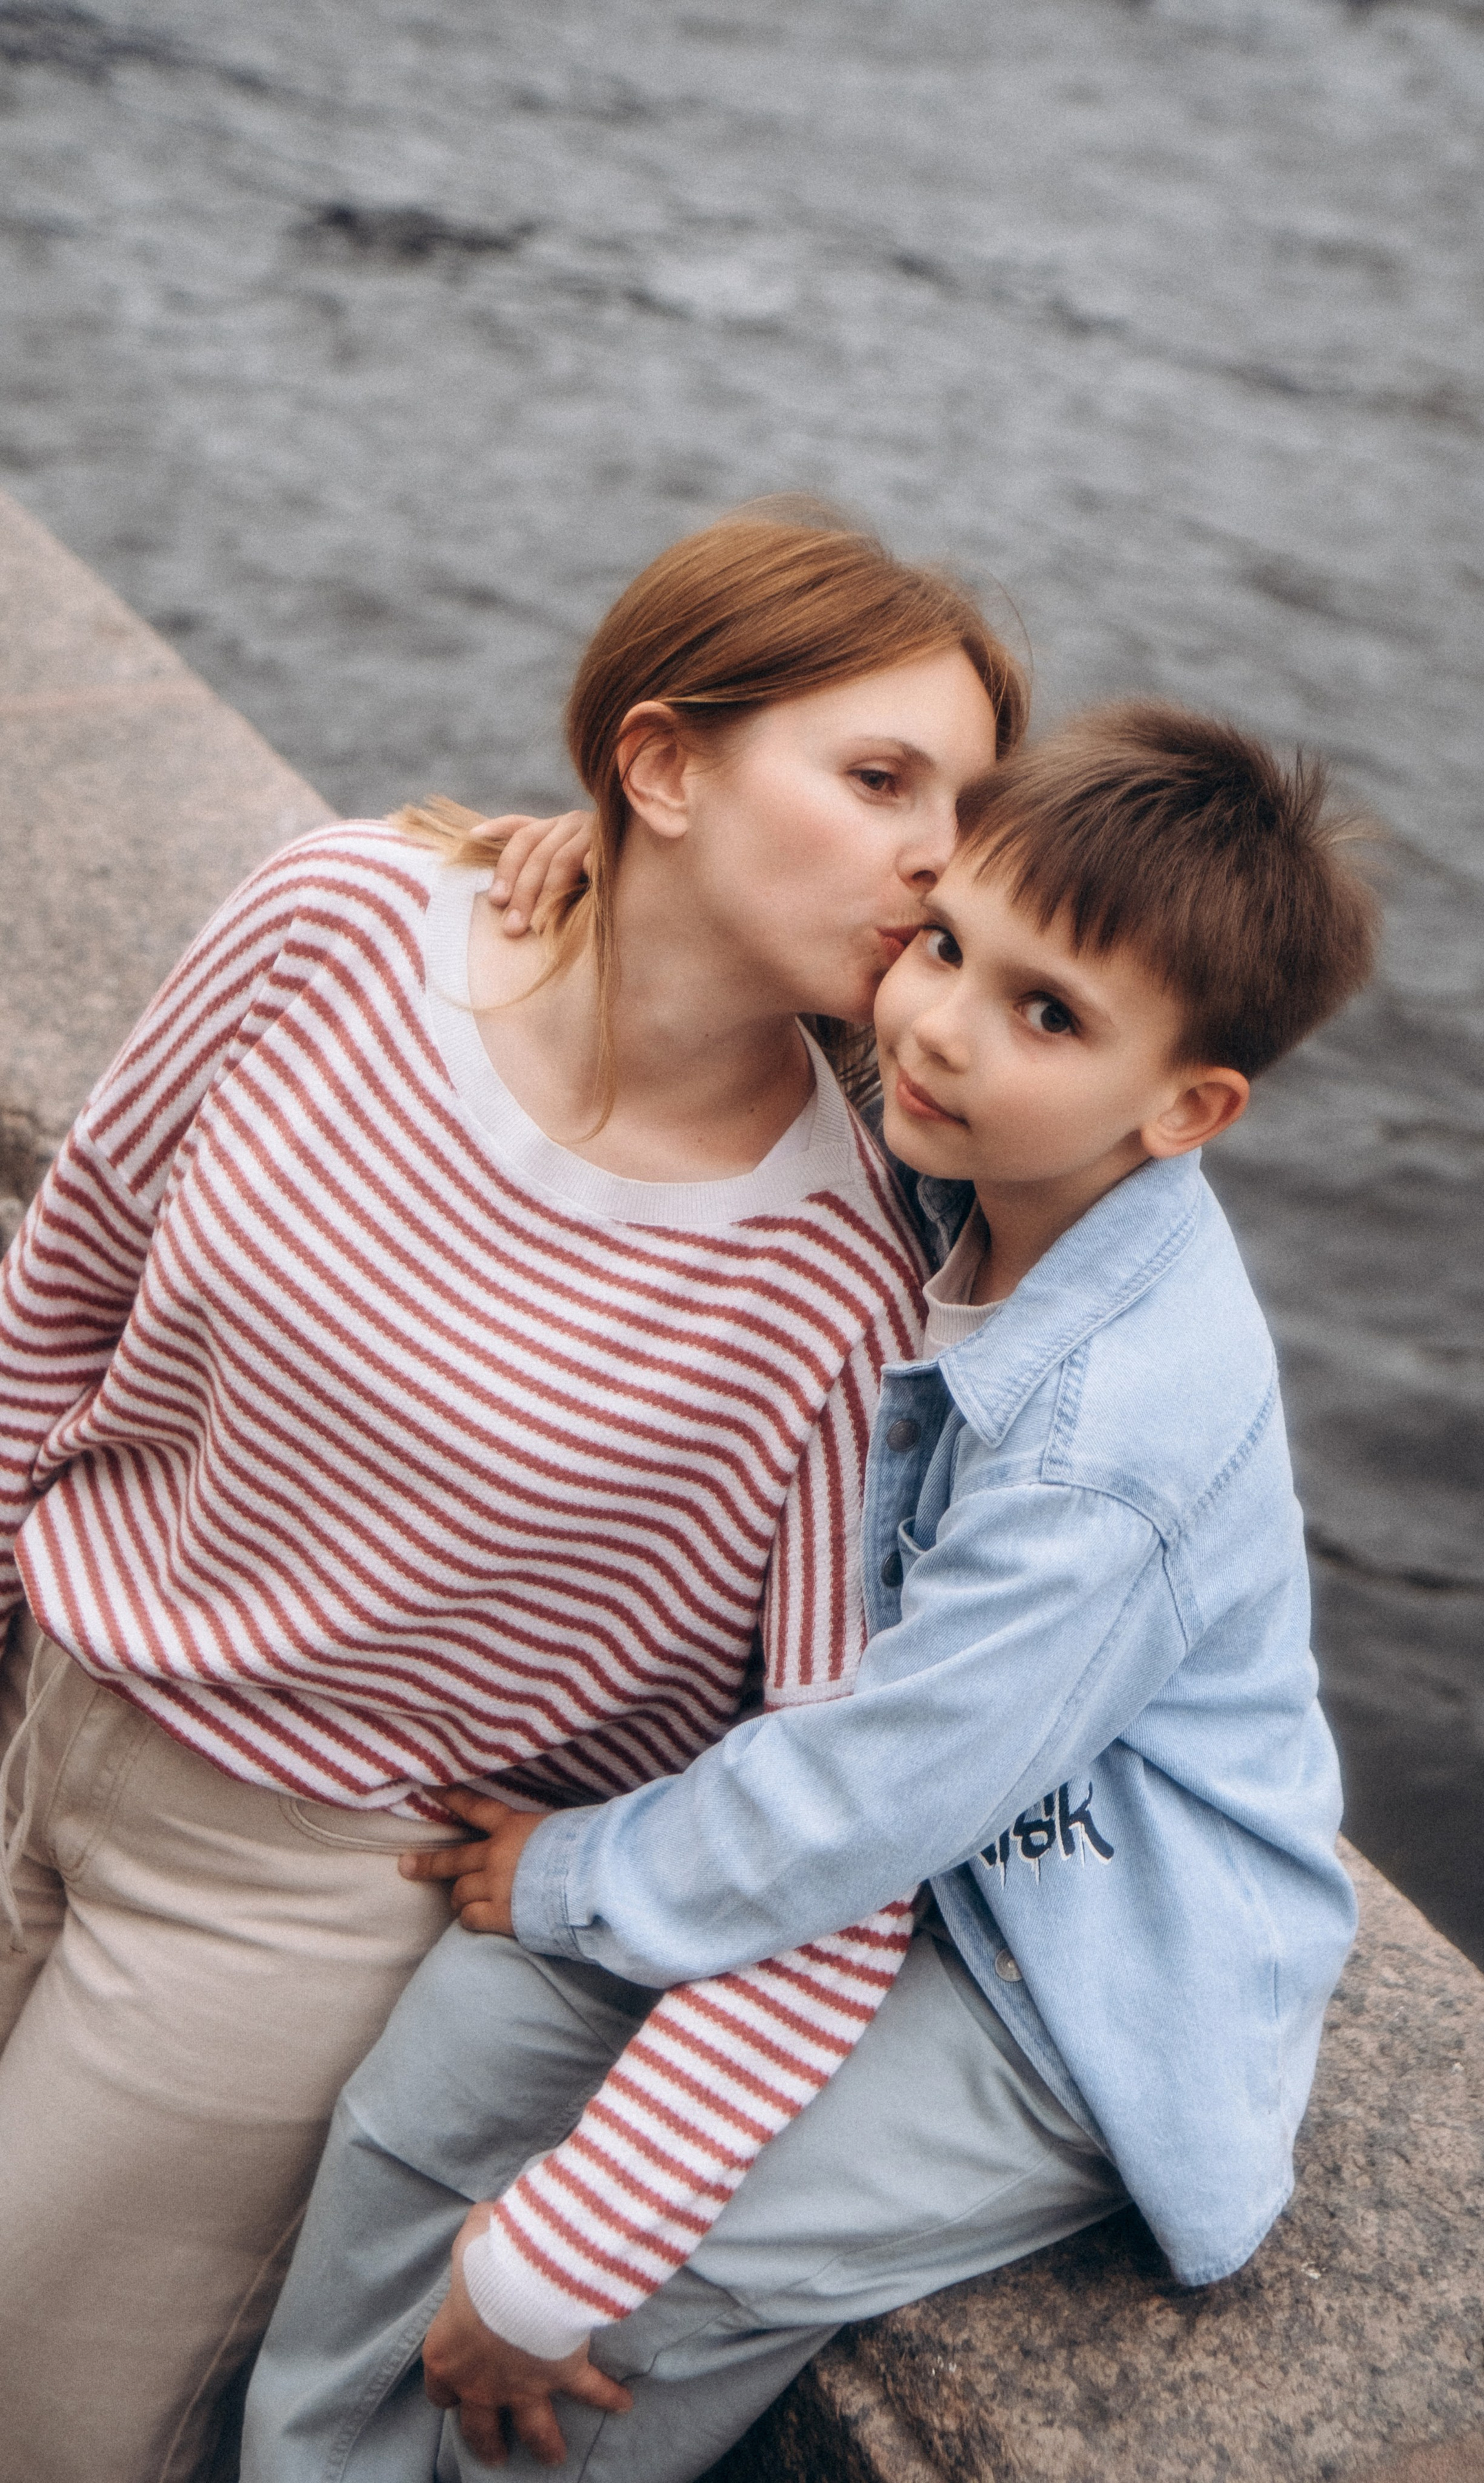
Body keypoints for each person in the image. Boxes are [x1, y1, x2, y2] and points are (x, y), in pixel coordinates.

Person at [242, 698, 1380, 2481]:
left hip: (1066, 1970)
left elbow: (867, 1807)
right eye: (944, 945)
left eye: (1044, 1014)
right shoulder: (977, 1144)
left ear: (1190, 1107)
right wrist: (596, 853)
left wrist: (578, 1874)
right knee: (441, 2067)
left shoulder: (1109, 1453)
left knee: (625, 2293)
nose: (935, 1025)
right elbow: (736, 925)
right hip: (888, 1838)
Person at [0, 506, 1026, 2483]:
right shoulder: (338, 918)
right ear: (659, 764)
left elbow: (836, 1813)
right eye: (880, 776)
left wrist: (579, 2245)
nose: (940, 855)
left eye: (968, 807)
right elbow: (78, 1263)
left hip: (287, 1908)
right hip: (44, 1694)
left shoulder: (836, 1284)